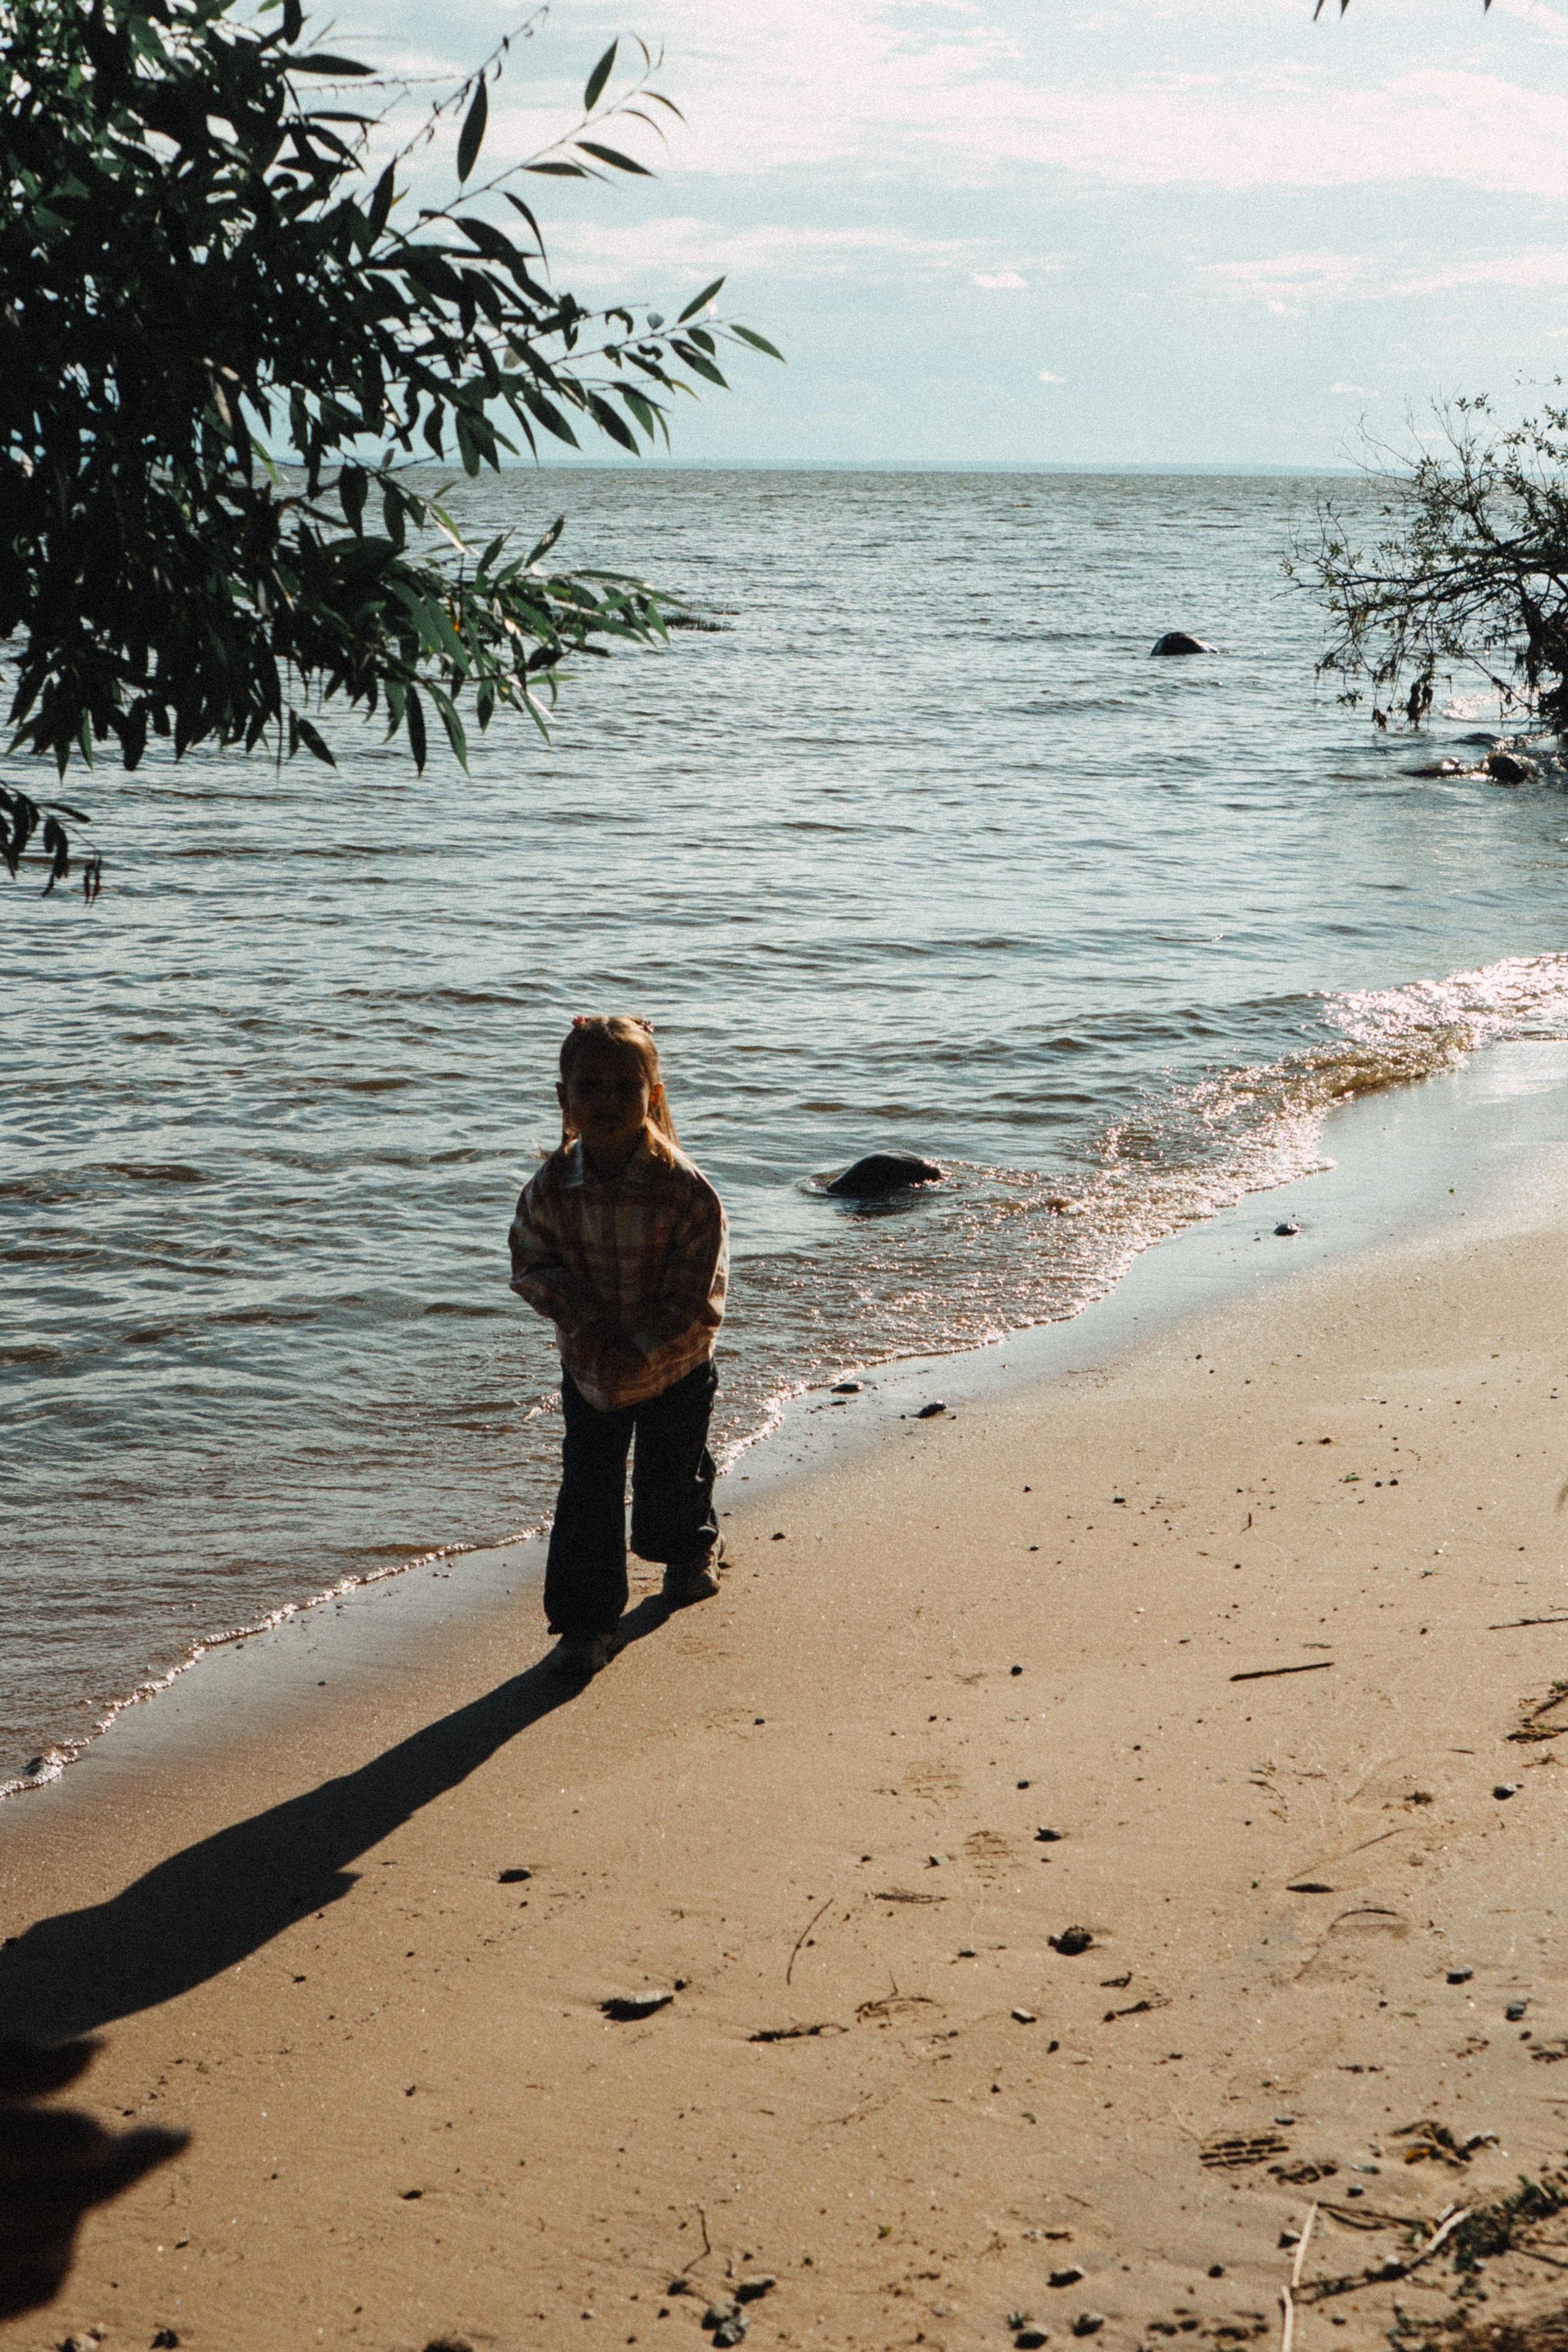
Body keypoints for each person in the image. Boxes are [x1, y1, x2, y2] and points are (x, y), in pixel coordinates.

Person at [508, 1015, 729, 1678]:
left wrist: (641, 1342)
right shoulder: (550, 1188)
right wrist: (591, 1328)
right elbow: (531, 1265)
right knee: (588, 1491)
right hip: (592, 1370)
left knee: (668, 1485)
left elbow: (700, 1295)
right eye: (590, 1086)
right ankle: (585, 1622)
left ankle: (688, 1552)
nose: (606, 1101)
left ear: (653, 1096)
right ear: (563, 1099)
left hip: (675, 1365)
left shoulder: (684, 1189)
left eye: (624, 1086)